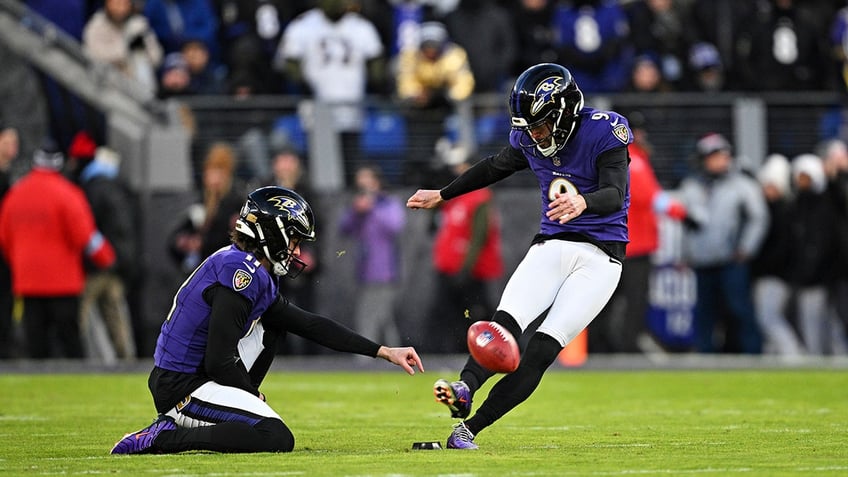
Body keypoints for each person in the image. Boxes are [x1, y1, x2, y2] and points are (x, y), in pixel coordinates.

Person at [406, 63, 631, 449]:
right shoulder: (528, 137)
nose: (534, 134)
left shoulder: (603, 130)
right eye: (528, 126)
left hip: (601, 258)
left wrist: (583, 201)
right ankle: (465, 386)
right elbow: (495, 166)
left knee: (541, 350)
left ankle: (469, 430)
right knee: (503, 326)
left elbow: (614, 193)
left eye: (540, 124)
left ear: (562, 113)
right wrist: (444, 194)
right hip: (552, 244)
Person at [110, 186, 423, 455]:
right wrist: (248, 391)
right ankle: (164, 437)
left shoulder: (252, 269)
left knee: (276, 323)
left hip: (196, 376)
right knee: (275, 436)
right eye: (293, 240)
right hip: (181, 386)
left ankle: (211, 415)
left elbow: (310, 324)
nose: (296, 250)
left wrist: (383, 351)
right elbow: (219, 359)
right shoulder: (239, 272)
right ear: (272, 234)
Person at [0, 141, 116, 359]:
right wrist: (107, 258)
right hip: (63, 283)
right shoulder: (68, 194)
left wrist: (19, 264)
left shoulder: (15, 195)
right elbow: (86, 236)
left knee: (36, 344)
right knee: (70, 342)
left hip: (28, 282)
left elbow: (5, 238)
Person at [677, 132, 768, 354]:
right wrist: (685, 253)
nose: (719, 161)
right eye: (713, 156)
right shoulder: (691, 186)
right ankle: (705, 355)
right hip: (702, 259)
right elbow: (685, 222)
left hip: (731, 259)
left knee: (739, 308)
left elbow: (758, 218)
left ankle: (752, 352)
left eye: (723, 156)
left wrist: (746, 248)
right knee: (705, 311)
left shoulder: (742, 184)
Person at [423, 140, 504, 353]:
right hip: (449, 266)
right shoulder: (454, 196)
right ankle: (454, 352)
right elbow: (435, 223)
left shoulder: (479, 197)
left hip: (470, 270)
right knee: (449, 314)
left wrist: (466, 268)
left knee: (478, 314)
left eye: (460, 167)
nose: (455, 171)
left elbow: (479, 236)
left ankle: (495, 351)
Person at [78, 147, 140, 361]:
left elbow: (86, 227)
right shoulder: (123, 189)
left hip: (97, 265)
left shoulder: (92, 188)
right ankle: (127, 361)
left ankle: (79, 361)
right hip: (119, 264)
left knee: (82, 314)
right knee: (117, 316)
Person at [338, 164, 406, 347]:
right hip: (364, 270)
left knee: (369, 316)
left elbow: (395, 225)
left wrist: (373, 207)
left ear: (376, 182)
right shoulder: (357, 206)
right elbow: (344, 228)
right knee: (384, 319)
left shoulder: (387, 203)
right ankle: (398, 355)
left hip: (384, 272)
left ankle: (364, 359)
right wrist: (356, 211)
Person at [82, 0, 163, 94]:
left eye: (124, 3)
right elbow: (92, 55)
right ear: (107, 4)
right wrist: (126, 50)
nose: (120, 9)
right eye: (116, 3)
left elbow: (156, 56)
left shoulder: (138, 24)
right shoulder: (96, 25)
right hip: (109, 90)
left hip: (141, 90)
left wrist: (142, 53)